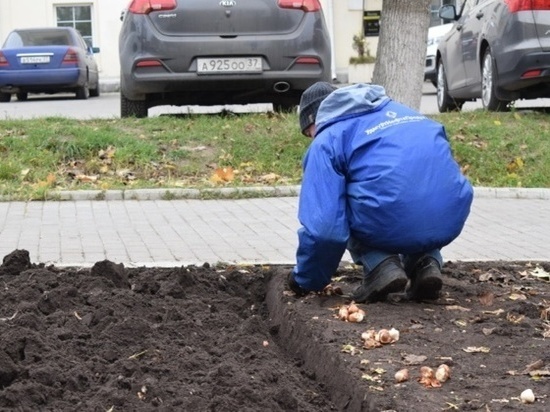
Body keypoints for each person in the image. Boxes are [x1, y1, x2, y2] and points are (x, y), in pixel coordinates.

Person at [287, 82, 473, 302]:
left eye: (309, 133)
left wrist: (307, 280)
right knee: (407, 191)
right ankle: (426, 263)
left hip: (391, 216)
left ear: (314, 121)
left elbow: (325, 230)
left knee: (339, 204)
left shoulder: (327, 139)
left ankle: (381, 266)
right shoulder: (407, 114)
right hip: (450, 212)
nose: (311, 139)